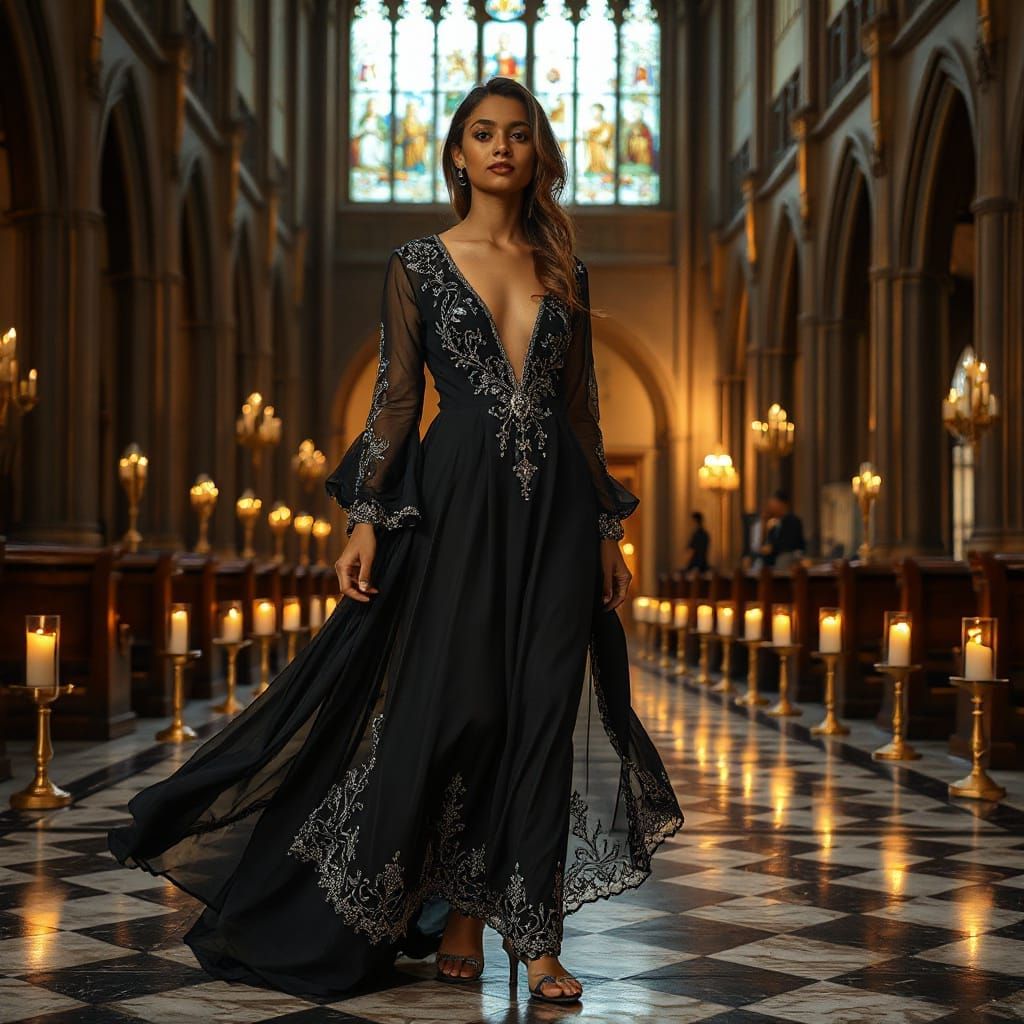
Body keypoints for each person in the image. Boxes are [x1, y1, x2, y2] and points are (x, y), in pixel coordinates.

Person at [107, 77, 683, 1007]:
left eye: (519, 134)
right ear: (457, 153)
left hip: (555, 517)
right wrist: (366, 517)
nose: (502, 147)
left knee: (542, 714)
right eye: (484, 133)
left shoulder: (565, 271)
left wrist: (607, 535)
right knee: (468, 713)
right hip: (454, 508)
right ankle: (459, 912)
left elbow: (581, 415)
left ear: (538, 153)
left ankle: (536, 941)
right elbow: (397, 402)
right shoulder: (417, 263)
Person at [759, 489, 806, 569]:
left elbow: (790, 544)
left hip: (789, 556)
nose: (771, 508)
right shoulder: (774, 524)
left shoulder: (793, 521)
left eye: (774, 504)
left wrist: (772, 548)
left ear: (781, 504)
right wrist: (764, 523)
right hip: (774, 558)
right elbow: (767, 543)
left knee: (784, 557)